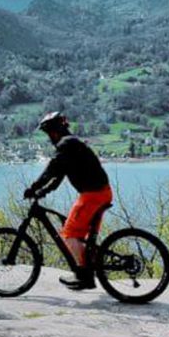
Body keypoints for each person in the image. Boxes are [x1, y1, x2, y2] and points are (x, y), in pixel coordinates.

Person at [25, 112, 112, 290]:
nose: (49, 137)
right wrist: (43, 191)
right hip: (99, 193)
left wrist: (33, 188)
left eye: (48, 133)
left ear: (53, 132)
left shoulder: (66, 144)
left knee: (70, 234)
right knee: (77, 235)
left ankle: (84, 276)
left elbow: (51, 170)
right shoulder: (71, 144)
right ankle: (89, 268)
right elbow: (58, 175)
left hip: (93, 195)